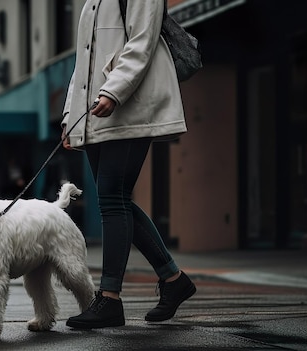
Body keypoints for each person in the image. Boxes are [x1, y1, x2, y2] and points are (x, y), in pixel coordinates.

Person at [61, 0, 196, 329]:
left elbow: (142, 41)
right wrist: (69, 116)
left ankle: (109, 298)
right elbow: (84, 62)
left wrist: (115, 90)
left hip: (130, 104)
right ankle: (173, 279)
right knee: (114, 200)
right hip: (95, 112)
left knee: (112, 197)